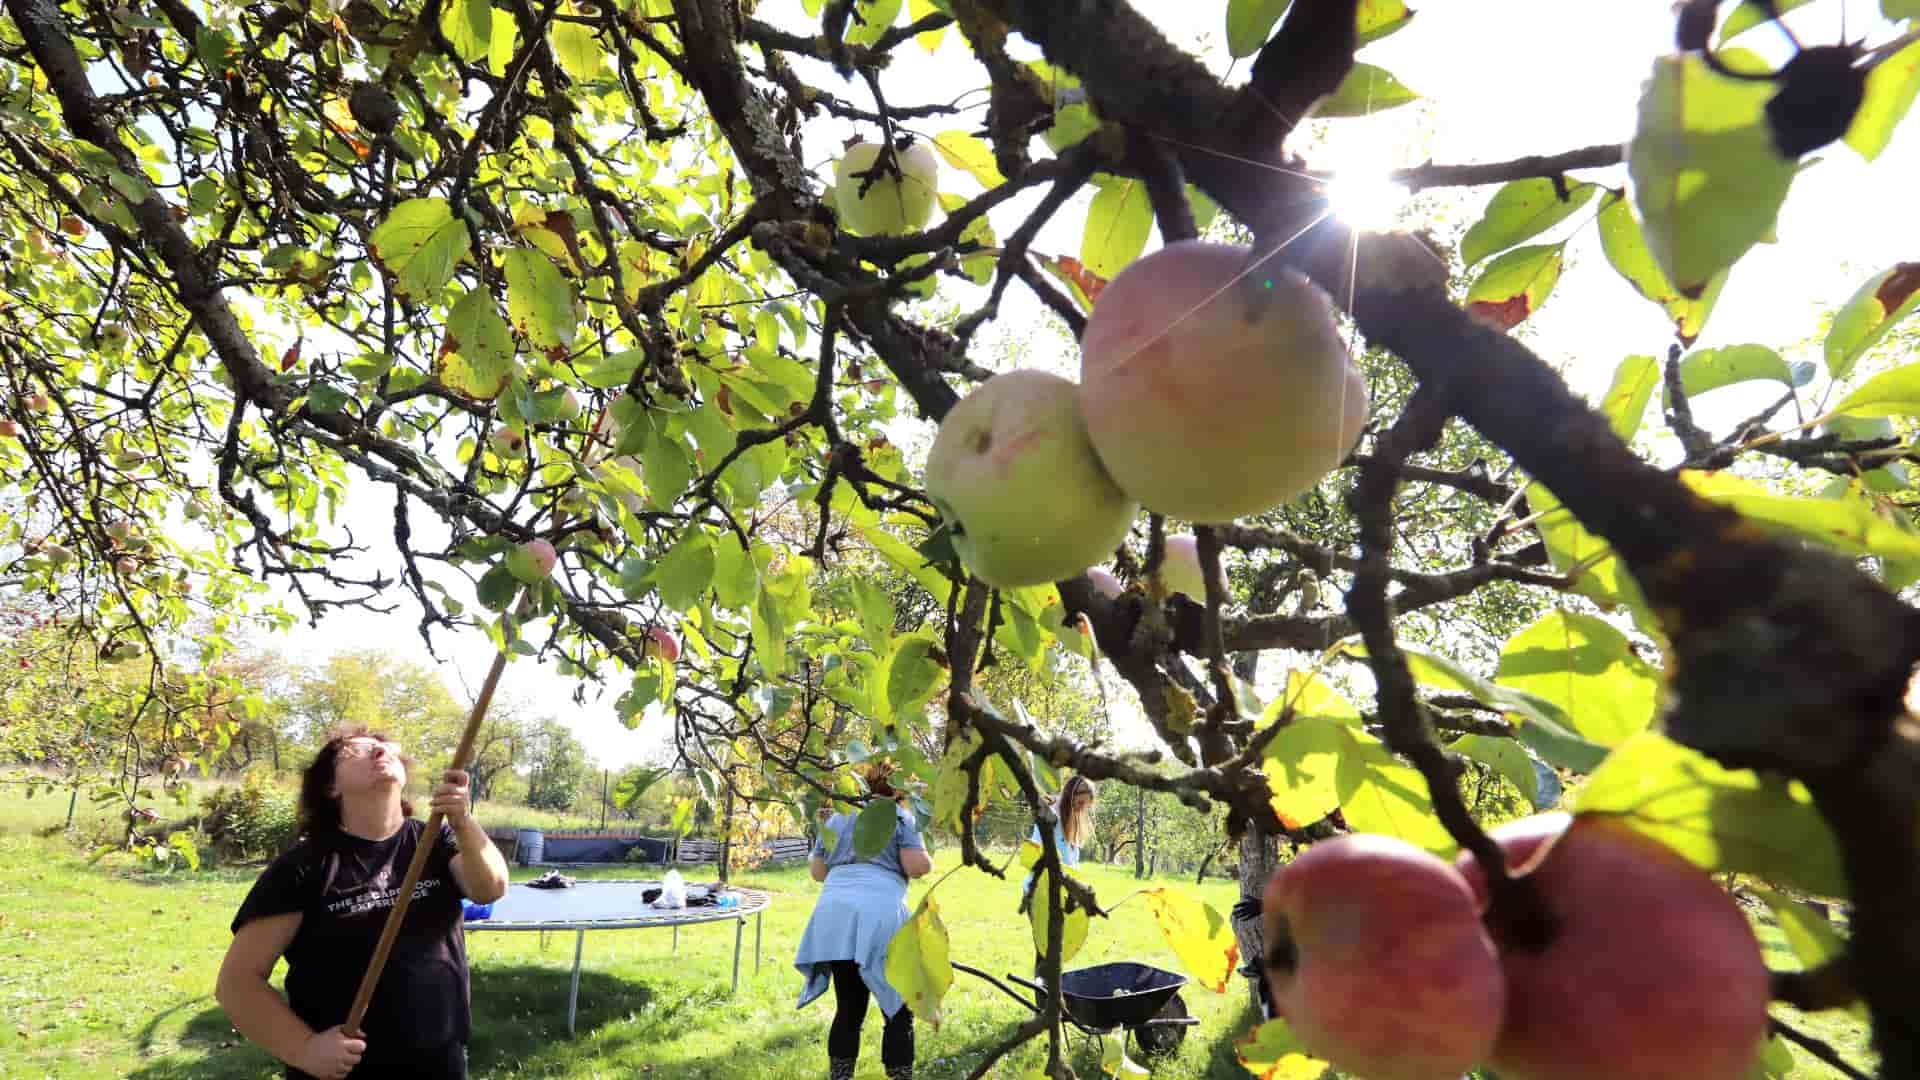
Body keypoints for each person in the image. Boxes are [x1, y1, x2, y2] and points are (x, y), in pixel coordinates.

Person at [216, 728, 510, 1080]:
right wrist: (305, 1049)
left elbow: (489, 889)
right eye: (356, 750)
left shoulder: (436, 840)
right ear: (330, 788)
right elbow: (236, 983)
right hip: (348, 1069)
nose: (379, 751)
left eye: (384, 747)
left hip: (440, 1059)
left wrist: (463, 822)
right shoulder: (304, 866)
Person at [793, 763, 934, 1080]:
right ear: (898, 788)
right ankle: (899, 1076)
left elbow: (817, 872)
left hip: (835, 916)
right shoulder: (899, 816)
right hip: (879, 914)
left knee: (849, 1008)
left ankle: (840, 1076)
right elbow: (915, 866)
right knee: (898, 1007)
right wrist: (927, 858)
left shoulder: (837, 815)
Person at [1024, 774, 1097, 978]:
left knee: (1055, 951)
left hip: (1060, 894)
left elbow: (1072, 863)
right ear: (1072, 795)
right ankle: (1044, 1004)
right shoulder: (1052, 818)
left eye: (1086, 805)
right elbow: (1040, 855)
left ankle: (1052, 1001)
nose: (1082, 809)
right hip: (1040, 893)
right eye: (1080, 803)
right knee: (1046, 951)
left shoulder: (1074, 821)